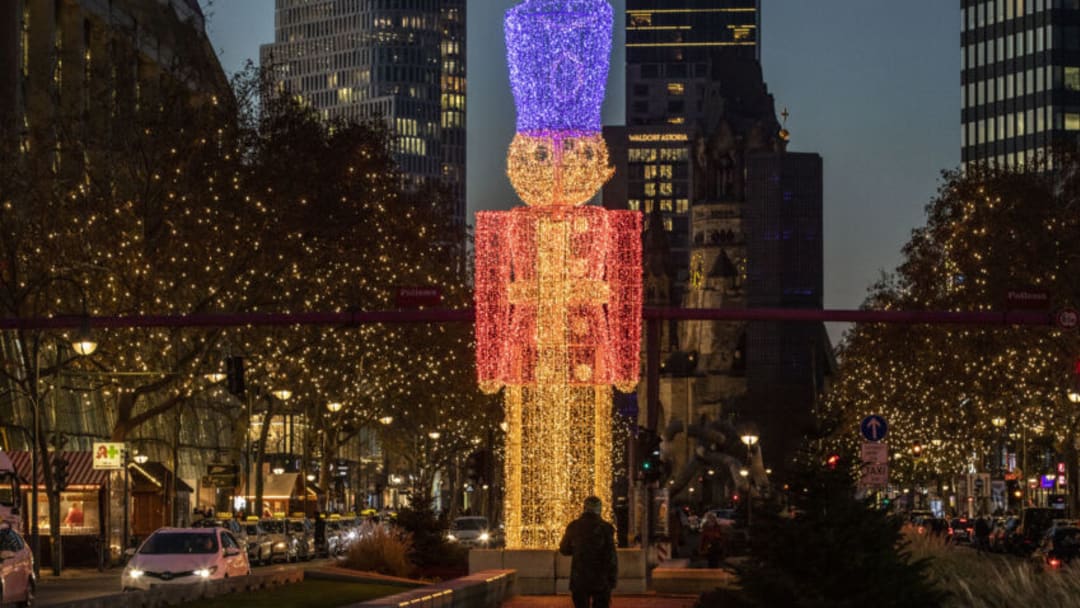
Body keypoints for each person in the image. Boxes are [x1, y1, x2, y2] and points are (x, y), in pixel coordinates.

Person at [559, 496, 618, 608]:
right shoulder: (606, 528)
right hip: (601, 578)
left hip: (580, 577)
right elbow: (611, 556)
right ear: (599, 509)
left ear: (584, 508)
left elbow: (564, 549)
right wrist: (612, 579)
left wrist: (577, 550)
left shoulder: (574, 526)